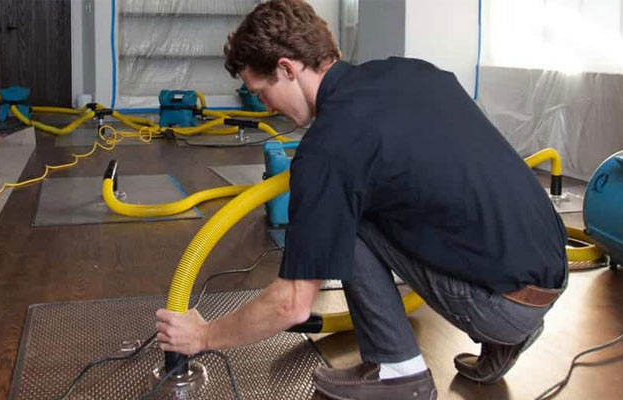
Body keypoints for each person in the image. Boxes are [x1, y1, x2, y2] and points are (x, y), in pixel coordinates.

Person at [155, 1, 568, 399]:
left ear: (287, 68)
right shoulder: (413, 72)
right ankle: (509, 337)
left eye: (262, 92)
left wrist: (204, 335)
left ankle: (398, 373)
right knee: (386, 201)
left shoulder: (329, 147)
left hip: (503, 306)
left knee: (348, 216)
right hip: (552, 271)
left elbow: (292, 305)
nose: (266, 107)